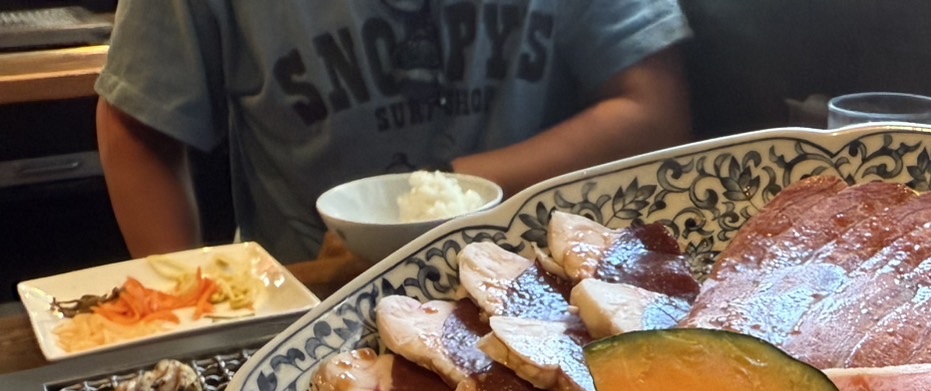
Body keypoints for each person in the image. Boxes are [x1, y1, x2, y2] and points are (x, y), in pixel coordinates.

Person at [94, 0, 693, 266]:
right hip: (308, 304)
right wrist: (190, 309)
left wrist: (441, 195)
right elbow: (137, 128)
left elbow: (653, 108)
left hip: (536, 288)